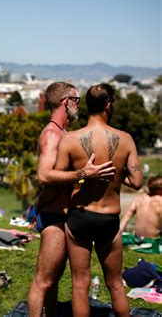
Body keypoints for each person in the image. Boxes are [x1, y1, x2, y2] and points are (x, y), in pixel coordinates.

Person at [27, 82, 116, 317]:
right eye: (76, 100)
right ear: (66, 102)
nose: (79, 105)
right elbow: (44, 175)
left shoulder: (65, 134)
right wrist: (84, 174)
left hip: (65, 216)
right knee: (43, 281)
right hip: (54, 218)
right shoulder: (52, 134)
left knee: (54, 279)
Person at [55, 83, 142, 316]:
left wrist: (84, 174)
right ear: (108, 105)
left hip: (80, 216)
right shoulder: (125, 139)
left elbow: (58, 177)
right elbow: (137, 181)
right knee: (114, 283)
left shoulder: (70, 139)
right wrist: (116, 171)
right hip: (109, 220)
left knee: (80, 285)